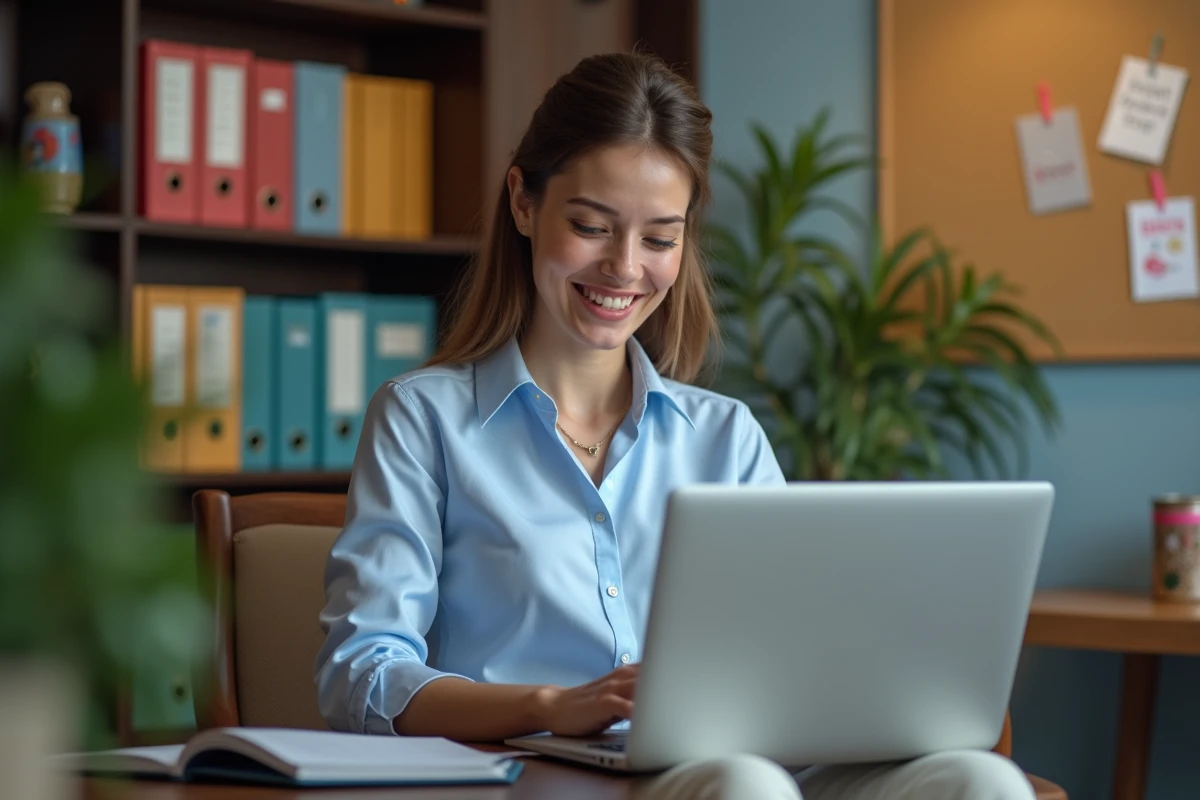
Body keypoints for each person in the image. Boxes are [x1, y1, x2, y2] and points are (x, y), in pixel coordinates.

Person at [313, 51, 1036, 800]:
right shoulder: (423, 418)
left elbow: (794, 649)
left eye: (660, 238)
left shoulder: (726, 438)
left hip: (734, 767)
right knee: (743, 788)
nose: (625, 268)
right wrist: (555, 707)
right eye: (592, 226)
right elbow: (361, 674)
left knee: (981, 781)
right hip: (535, 773)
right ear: (524, 204)